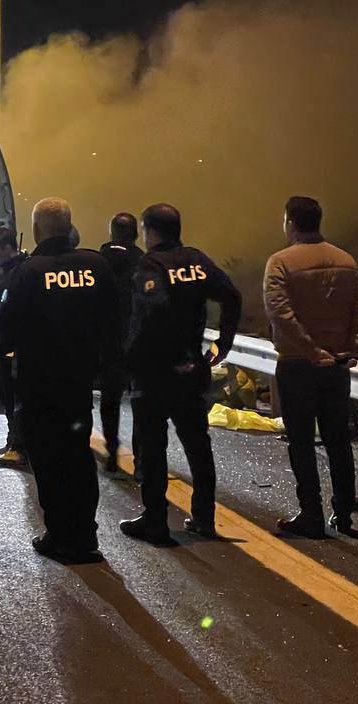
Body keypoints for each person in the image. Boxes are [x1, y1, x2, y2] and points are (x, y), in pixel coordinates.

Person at [0, 198, 119, 563]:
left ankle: (59, 533)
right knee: (79, 456)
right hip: (79, 381)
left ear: (36, 231)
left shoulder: (27, 272)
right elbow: (114, 320)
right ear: (69, 225)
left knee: (47, 460)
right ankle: (85, 535)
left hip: (38, 383)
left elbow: (4, 328)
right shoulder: (97, 266)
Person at [120, 203, 240, 546]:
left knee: (153, 448)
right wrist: (221, 346)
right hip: (192, 369)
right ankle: (204, 517)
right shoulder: (198, 260)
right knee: (197, 444)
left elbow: (152, 313)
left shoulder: (150, 265)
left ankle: (155, 520)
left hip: (156, 372)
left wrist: (133, 358)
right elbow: (231, 296)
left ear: (149, 230)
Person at [263, 196, 358, 538]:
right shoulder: (345, 260)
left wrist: (311, 351)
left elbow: (280, 314)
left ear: (291, 222)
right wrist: (351, 347)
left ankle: (311, 513)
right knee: (339, 441)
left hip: (298, 365)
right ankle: (344, 514)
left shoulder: (280, 262)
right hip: (337, 365)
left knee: (301, 442)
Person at [98, 211, 144, 473]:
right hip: (136, 341)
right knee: (139, 401)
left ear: (112, 232)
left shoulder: (99, 260)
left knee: (109, 399)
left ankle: (112, 451)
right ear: (136, 233)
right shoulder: (144, 261)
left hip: (108, 341)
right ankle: (140, 459)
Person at [0, 225, 29, 466]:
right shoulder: (9, 271)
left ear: (8, 248)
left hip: (10, 348)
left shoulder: (19, 272)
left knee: (14, 399)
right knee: (7, 399)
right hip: (2, 347)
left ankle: (18, 446)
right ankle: (12, 441)